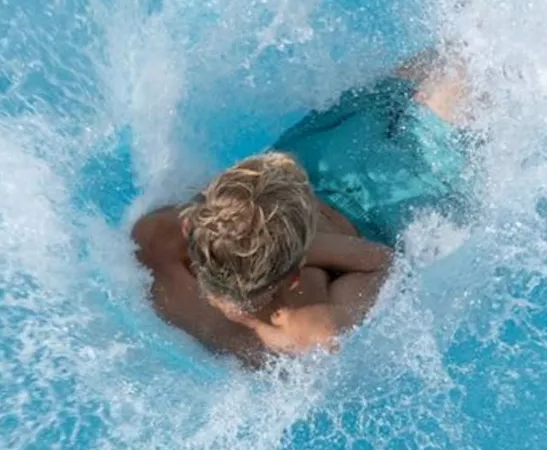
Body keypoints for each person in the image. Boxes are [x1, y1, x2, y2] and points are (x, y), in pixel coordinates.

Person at [131, 50, 473, 365]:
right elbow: (383, 262)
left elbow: (380, 261)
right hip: (330, 160)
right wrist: (299, 246)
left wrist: (294, 249)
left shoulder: (158, 247)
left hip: (362, 180)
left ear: (191, 227)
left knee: (459, 70)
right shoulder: (311, 326)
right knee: (452, 58)